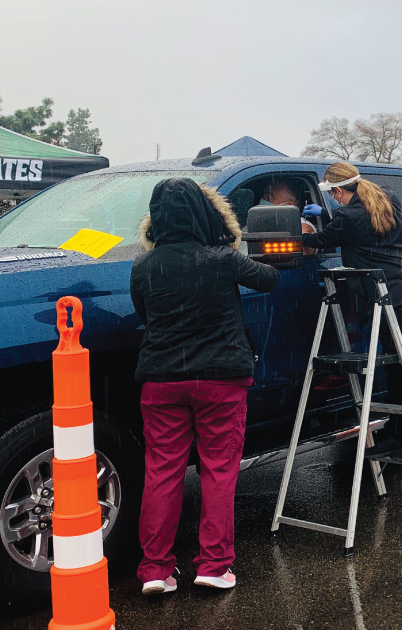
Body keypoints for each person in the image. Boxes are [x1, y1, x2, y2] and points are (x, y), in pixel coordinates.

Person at [130, 177, 281, 595]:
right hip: (221, 381)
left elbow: (143, 313)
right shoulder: (221, 258)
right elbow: (269, 279)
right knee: (218, 471)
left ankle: (155, 570)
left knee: (161, 473)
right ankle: (214, 565)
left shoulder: (143, 265)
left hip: (161, 382)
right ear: (203, 212)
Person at [303, 162, 402, 461]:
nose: (333, 200)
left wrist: (296, 235)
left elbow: (321, 240)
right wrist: (326, 215)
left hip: (398, 298)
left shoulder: (349, 217)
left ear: (338, 190)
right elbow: (357, 222)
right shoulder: (387, 196)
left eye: (333, 195)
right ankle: (400, 435)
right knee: (400, 368)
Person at [259, 177, 318, 254]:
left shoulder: (301, 225)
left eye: (268, 198)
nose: (262, 200)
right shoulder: (262, 222)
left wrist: (301, 241)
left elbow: (303, 233)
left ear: (288, 206)